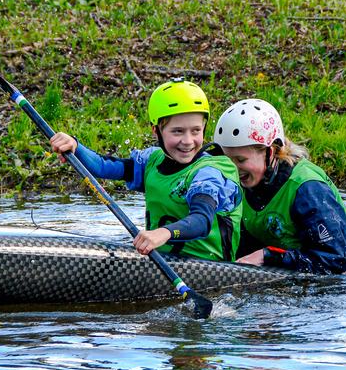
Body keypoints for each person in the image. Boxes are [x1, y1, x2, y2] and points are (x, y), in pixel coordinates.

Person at [213, 98, 346, 274]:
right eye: (227, 161)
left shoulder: (307, 188)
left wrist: (268, 257)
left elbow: (334, 261)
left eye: (240, 160)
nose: (233, 169)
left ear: (271, 152)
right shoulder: (239, 183)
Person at [49, 80, 243, 261]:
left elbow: (202, 221)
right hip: (162, 261)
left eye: (196, 131)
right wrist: (75, 145)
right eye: (177, 131)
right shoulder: (152, 161)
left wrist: (164, 233)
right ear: (156, 130)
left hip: (208, 268)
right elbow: (101, 166)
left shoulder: (209, 172)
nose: (188, 141)